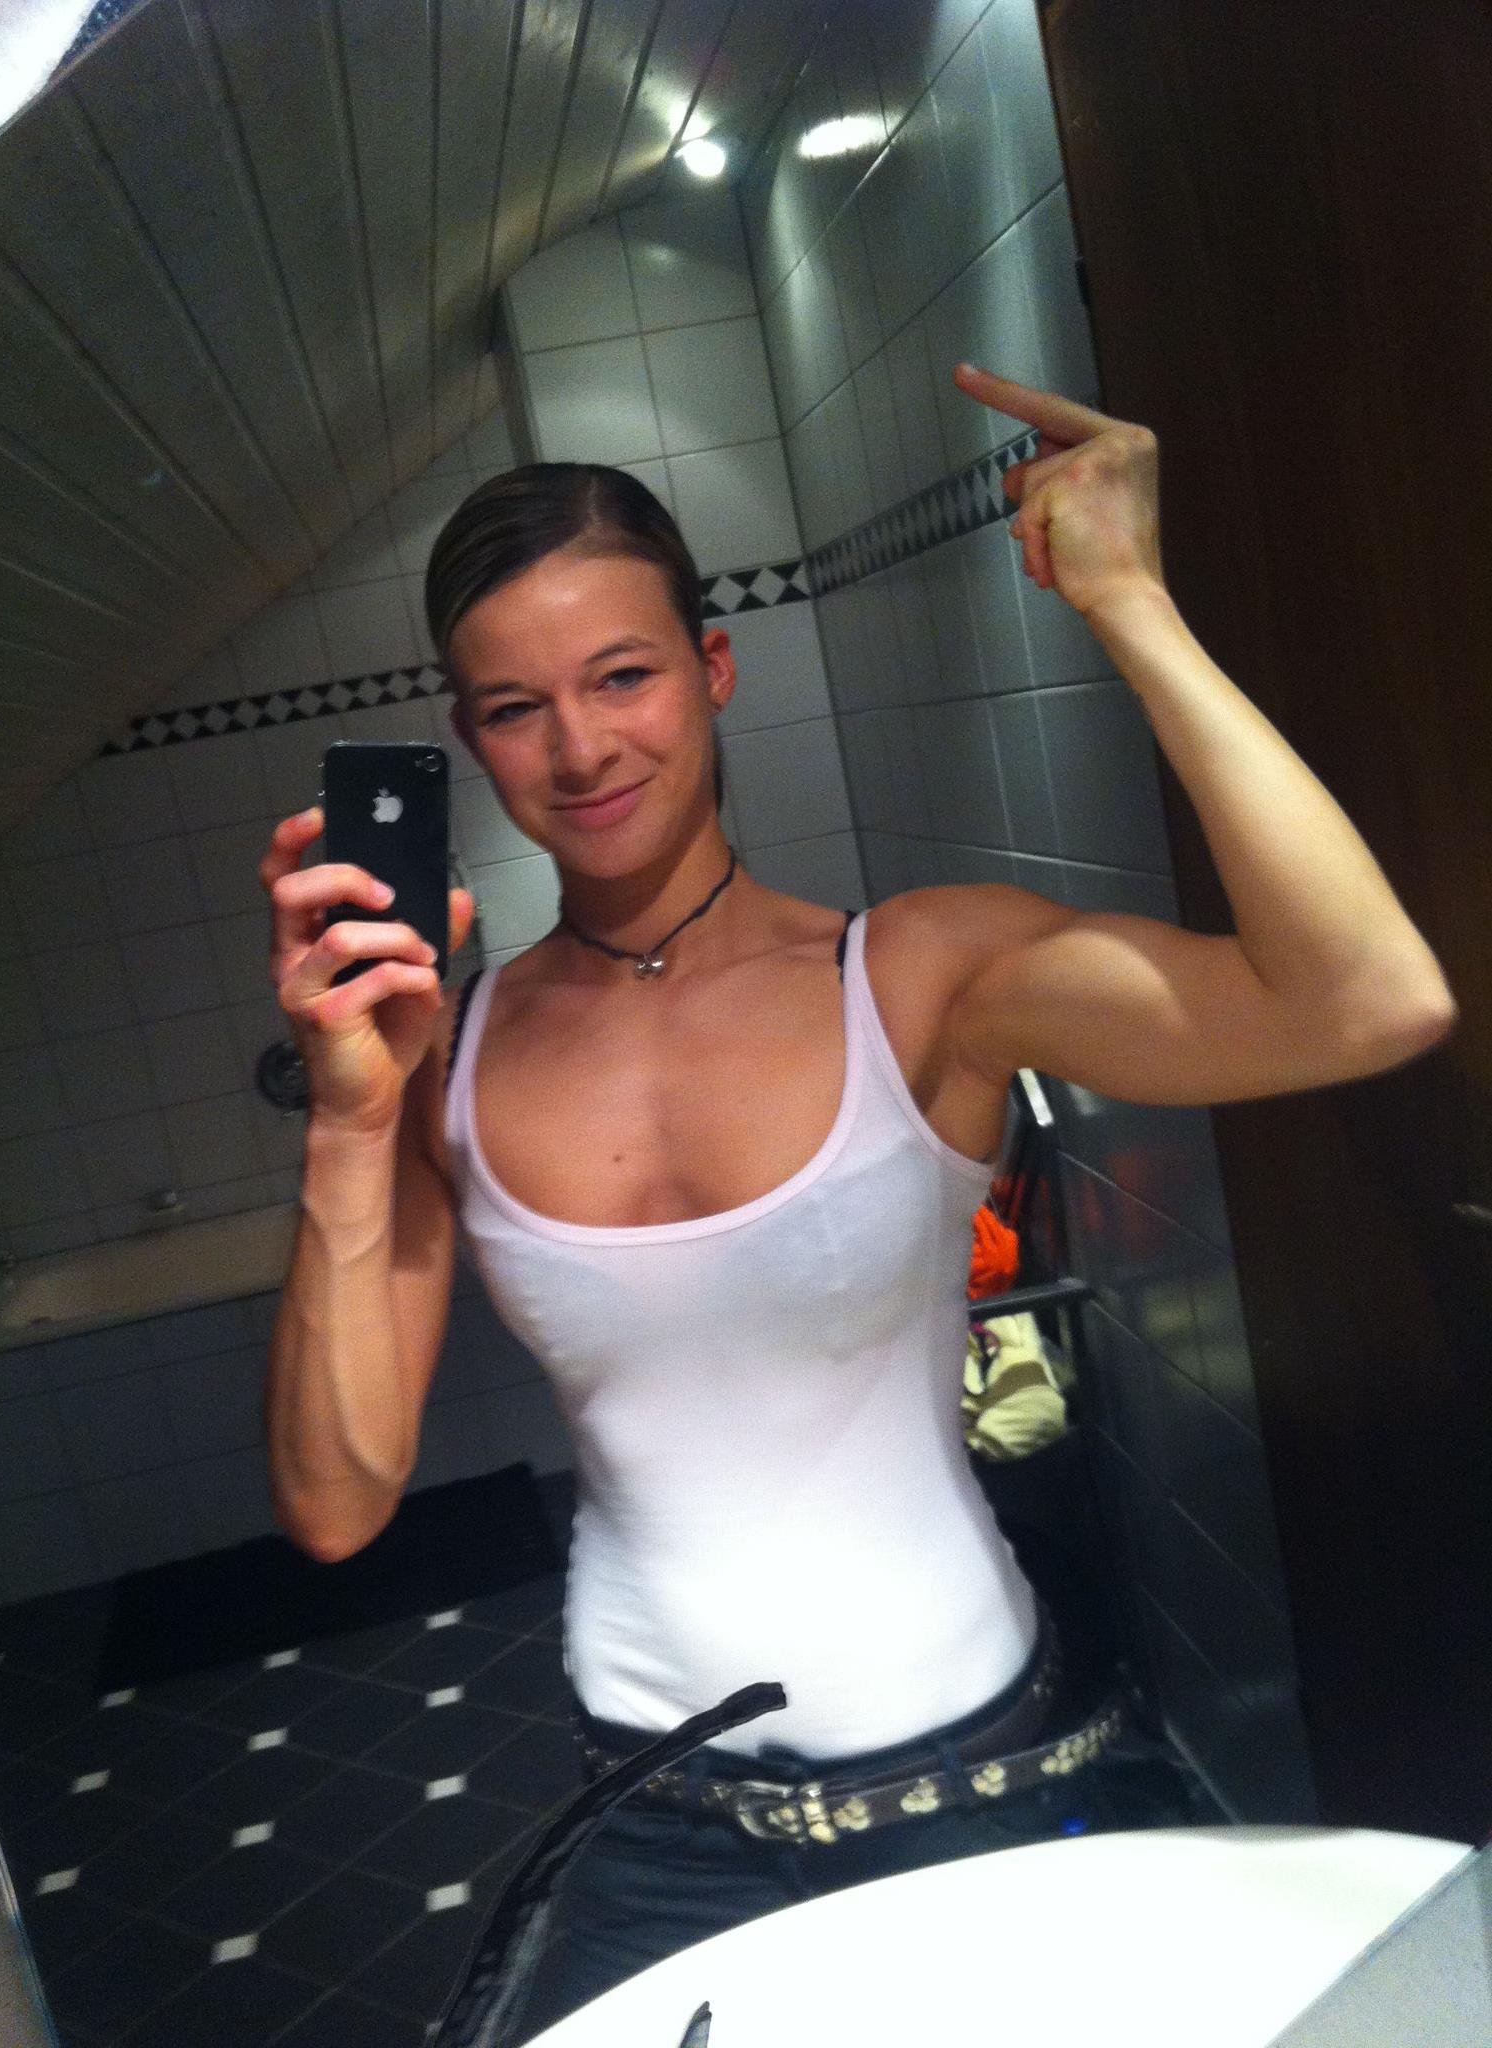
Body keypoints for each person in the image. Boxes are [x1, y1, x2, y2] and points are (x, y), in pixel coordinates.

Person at [260, 363, 1457, 2041]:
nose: (582, 747)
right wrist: (346, 1121)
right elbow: (334, 1503)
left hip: (981, 1775)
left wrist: (1130, 603)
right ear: (468, 741)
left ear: (712, 668)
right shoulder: (439, 1061)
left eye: (623, 675)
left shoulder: (915, 976)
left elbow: (1368, 1001)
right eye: (517, 707)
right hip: (655, 1820)